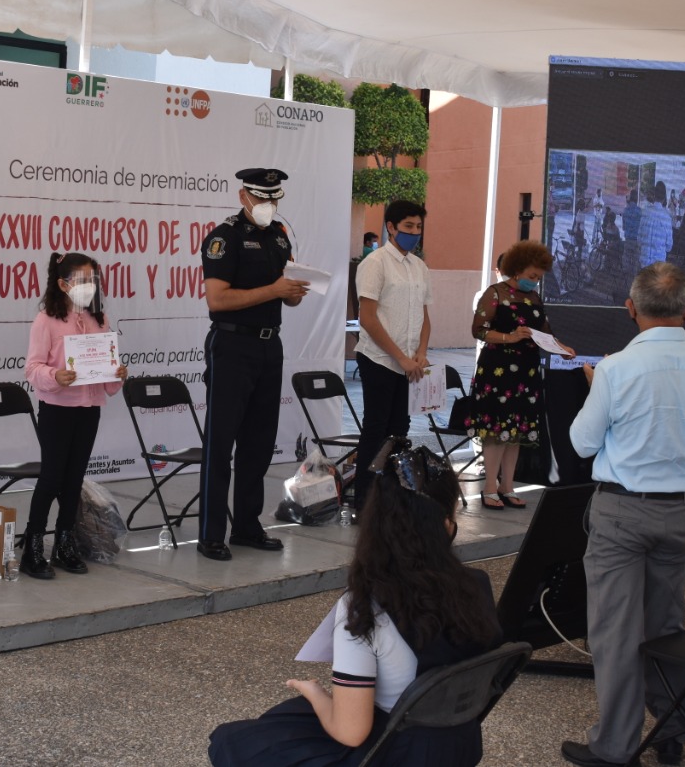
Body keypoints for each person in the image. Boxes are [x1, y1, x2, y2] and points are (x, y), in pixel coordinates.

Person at [208, 450, 502, 766]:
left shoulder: (366, 607)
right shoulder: (476, 586)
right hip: (460, 745)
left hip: (396, 753)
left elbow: (351, 733)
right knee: (285, 717)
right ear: (447, 525)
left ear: (375, 525)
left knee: (230, 741)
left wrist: (315, 692)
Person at [561, 262, 685, 767]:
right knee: (667, 625)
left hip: (622, 511)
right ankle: (672, 731)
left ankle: (615, 746)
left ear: (630, 308)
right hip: (682, 513)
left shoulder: (616, 369)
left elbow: (582, 442)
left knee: (614, 631)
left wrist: (597, 388)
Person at [197, 167, 309, 561]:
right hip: (231, 344)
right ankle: (211, 534)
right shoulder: (224, 238)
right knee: (220, 443)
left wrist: (292, 291)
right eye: (262, 197)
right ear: (243, 196)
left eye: (274, 198)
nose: (268, 204)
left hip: (269, 345)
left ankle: (247, 526)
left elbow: (287, 297)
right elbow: (217, 300)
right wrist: (273, 289)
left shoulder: (279, 236)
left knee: (259, 443)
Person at [20, 252, 128, 579]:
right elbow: (33, 368)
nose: (88, 286)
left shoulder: (100, 320)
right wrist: (55, 376)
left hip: (89, 408)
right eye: (81, 280)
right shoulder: (46, 320)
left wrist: (117, 373)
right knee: (52, 477)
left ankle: (65, 542)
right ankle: (33, 547)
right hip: (57, 409)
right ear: (63, 284)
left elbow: (106, 373)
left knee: (74, 478)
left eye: (92, 280)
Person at [465, 240, 573, 510]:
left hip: (527, 370)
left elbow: (545, 332)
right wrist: (509, 337)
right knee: (497, 429)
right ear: (517, 269)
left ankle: (507, 485)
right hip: (497, 370)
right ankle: (490, 487)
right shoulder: (495, 293)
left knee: (516, 431)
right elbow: (478, 330)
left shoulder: (534, 298)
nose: (535, 281)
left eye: (538, 277)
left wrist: (561, 348)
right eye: (532, 276)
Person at [352, 200, 432, 508]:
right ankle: (365, 500)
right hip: (379, 359)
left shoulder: (419, 267)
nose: (414, 232)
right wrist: (401, 357)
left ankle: (392, 495)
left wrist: (420, 353)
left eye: (418, 227)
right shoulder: (375, 263)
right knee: (376, 428)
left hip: (409, 363)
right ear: (391, 227)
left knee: (400, 429)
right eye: (408, 226)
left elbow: (425, 318)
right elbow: (368, 318)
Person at [639, 181, 673, 268]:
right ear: (664, 197)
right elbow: (669, 246)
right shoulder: (666, 217)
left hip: (644, 263)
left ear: (654, 195)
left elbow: (639, 239)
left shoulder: (645, 212)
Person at [621, 189, 642, 272]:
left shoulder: (625, 210)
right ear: (637, 199)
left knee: (626, 265)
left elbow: (623, 227)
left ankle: (626, 277)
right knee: (635, 265)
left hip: (628, 240)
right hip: (636, 240)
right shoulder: (639, 211)